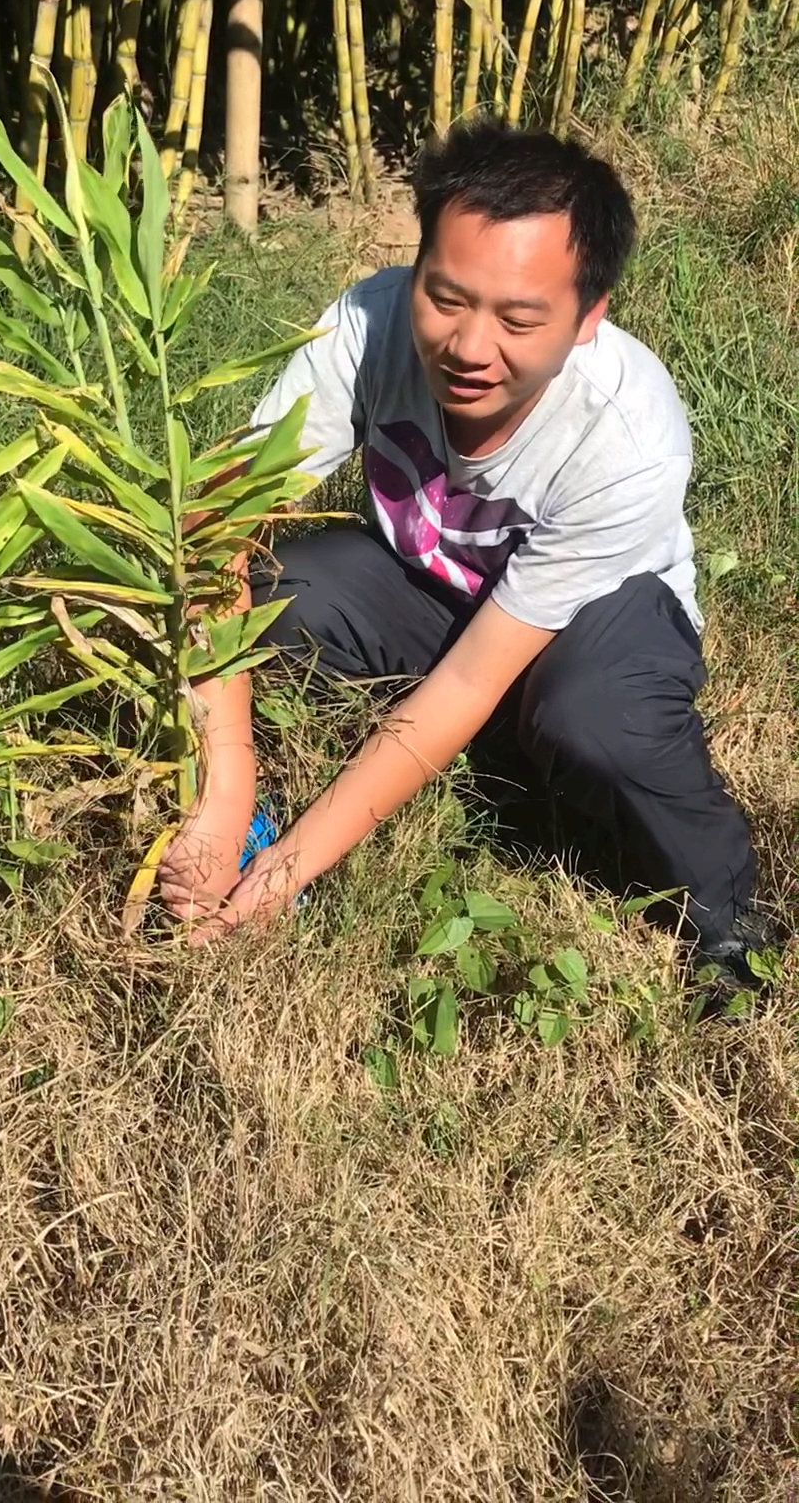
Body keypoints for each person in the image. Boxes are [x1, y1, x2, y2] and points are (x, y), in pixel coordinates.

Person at [158, 117, 768, 990]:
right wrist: (230, 783)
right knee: (269, 590)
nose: (470, 347)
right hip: (436, 592)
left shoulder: (628, 436)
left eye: (520, 318)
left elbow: (473, 677)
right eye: (446, 298)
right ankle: (485, 765)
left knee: (595, 720)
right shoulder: (364, 329)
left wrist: (289, 870)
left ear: (589, 315)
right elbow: (214, 525)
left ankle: (726, 914)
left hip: (598, 623)